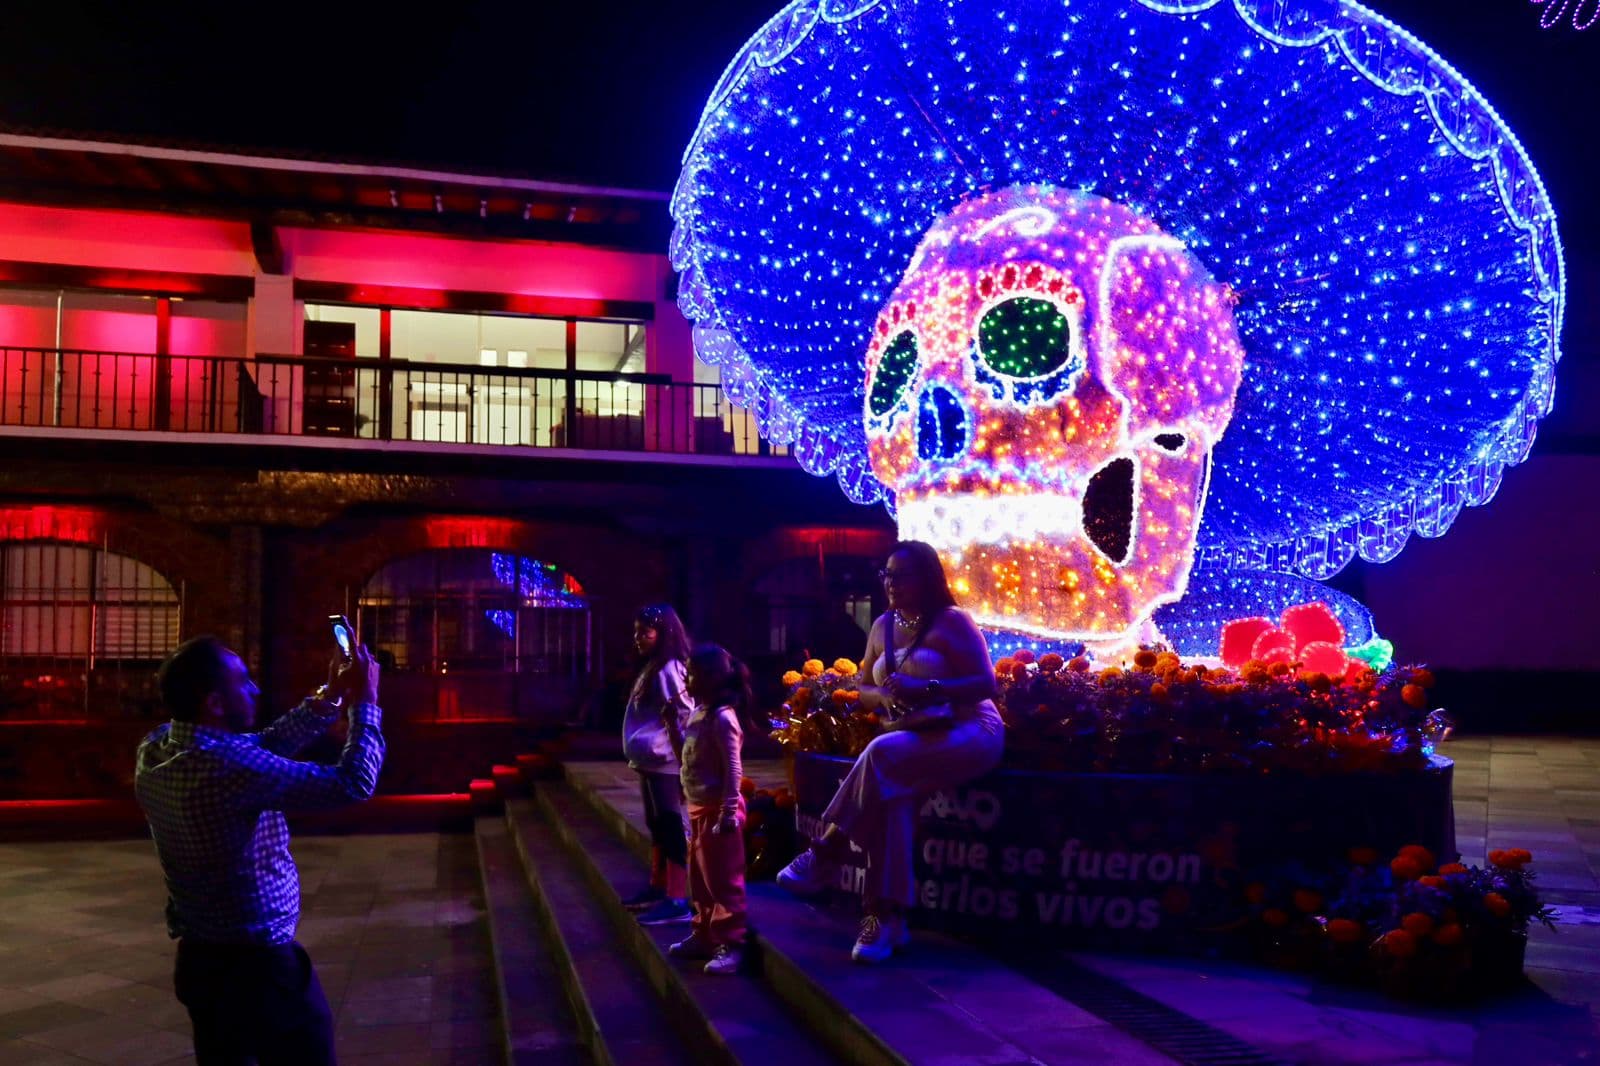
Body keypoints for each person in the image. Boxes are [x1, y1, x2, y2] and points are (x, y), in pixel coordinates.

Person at [134, 636, 385, 1065]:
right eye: (243, 681)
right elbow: (352, 782)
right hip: (258, 971)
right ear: (214, 702)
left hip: (200, 960)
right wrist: (366, 704)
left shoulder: (156, 748)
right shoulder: (226, 768)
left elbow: (260, 747)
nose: (255, 690)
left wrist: (332, 695)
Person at [776, 541, 1004, 963]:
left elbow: (986, 684)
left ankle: (824, 849)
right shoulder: (882, 626)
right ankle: (883, 922)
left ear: (927, 578)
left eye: (901, 575)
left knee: (881, 755)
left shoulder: (952, 622)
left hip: (971, 729)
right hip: (914, 734)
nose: (891, 583)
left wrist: (928, 688)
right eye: (886, 574)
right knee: (892, 801)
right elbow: (863, 686)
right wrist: (880, 699)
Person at [667, 643, 753, 975]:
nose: (686, 681)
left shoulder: (722, 717)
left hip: (718, 812)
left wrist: (729, 812)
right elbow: (687, 757)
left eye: (692, 675)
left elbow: (733, 767)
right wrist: (673, 727)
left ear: (714, 679)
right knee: (700, 879)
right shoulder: (698, 711)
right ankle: (703, 934)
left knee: (723, 880)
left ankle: (730, 943)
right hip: (699, 808)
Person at [620, 603, 695, 925]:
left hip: (665, 761)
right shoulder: (654, 666)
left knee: (669, 823)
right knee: (655, 822)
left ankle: (677, 898)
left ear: (663, 633)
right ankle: (657, 885)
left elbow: (682, 715)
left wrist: (684, 764)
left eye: (645, 632)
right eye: (636, 632)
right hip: (649, 761)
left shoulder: (669, 670)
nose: (638, 638)